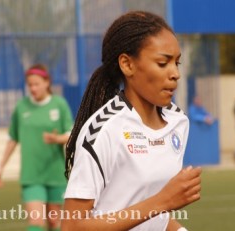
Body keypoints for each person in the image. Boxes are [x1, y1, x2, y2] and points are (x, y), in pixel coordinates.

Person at [62, 11, 202, 231]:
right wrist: (163, 201)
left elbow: (157, 219)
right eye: (163, 63)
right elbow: (73, 226)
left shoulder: (178, 121)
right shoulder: (104, 130)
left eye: (177, 63)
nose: (175, 73)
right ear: (127, 65)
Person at [0, 64, 74, 231]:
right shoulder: (21, 107)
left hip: (55, 173)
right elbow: (12, 139)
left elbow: (70, 135)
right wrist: (0, 167)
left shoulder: (59, 104)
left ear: (47, 82)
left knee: (54, 222)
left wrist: (57, 138)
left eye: (36, 84)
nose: (33, 88)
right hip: (31, 175)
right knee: (36, 222)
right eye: (30, 85)